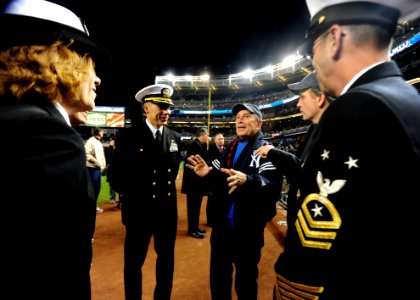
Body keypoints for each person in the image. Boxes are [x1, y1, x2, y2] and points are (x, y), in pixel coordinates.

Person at [272, 0, 420, 299]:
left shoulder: (357, 109)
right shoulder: (406, 98)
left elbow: (315, 249)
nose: (313, 60)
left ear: (335, 39)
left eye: (312, 49)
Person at [0, 1, 106, 299]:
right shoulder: (47, 136)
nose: (96, 79)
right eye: (87, 65)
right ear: (57, 63)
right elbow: (54, 270)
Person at [186, 103, 283, 299]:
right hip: (222, 226)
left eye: (246, 116)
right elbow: (221, 180)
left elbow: (272, 188)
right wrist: (208, 174)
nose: (240, 120)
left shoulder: (266, 150)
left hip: (247, 229)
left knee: (245, 281)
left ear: (259, 122)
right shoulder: (229, 148)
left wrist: (248, 180)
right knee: (219, 279)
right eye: (238, 116)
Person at [107, 84, 183, 300]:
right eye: (161, 106)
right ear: (146, 108)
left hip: (167, 213)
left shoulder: (174, 137)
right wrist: (133, 195)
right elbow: (114, 176)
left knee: (166, 263)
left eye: (168, 107)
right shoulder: (129, 137)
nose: (166, 112)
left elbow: (171, 171)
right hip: (138, 213)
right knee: (133, 263)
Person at [256, 72, 331, 226]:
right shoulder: (314, 129)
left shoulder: (333, 132)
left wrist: (273, 152)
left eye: (302, 97)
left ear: (319, 98)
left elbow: (306, 175)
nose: (298, 104)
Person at [181, 127, 210, 238]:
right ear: (201, 134)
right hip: (194, 184)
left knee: (196, 208)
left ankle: (195, 228)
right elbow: (197, 163)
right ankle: (192, 230)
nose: (208, 137)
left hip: (195, 184)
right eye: (207, 134)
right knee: (193, 208)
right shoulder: (195, 145)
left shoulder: (197, 145)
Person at [206, 132, 225, 227]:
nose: (221, 140)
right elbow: (213, 166)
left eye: (222, 138)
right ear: (215, 140)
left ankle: (219, 219)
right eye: (219, 139)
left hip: (224, 182)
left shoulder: (227, 150)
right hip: (213, 181)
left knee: (221, 202)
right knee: (212, 202)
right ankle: (210, 221)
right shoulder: (211, 151)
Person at [85, 127, 106, 213]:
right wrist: (96, 162)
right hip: (92, 169)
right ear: (99, 132)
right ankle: (90, 207)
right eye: (102, 132)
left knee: (97, 188)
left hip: (97, 169)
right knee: (92, 189)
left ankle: (93, 206)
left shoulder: (98, 141)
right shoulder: (91, 141)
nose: (103, 133)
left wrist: (103, 165)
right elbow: (86, 154)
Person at [104, 138, 118, 204]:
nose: (112, 142)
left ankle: (121, 198)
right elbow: (104, 158)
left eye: (113, 141)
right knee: (111, 184)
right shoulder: (107, 149)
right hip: (109, 168)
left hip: (117, 168)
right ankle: (112, 198)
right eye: (111, 141)